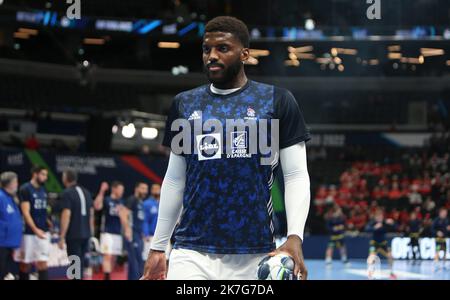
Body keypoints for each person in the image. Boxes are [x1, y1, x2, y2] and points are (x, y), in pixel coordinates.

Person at [142, 16, 311, 280]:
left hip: (255, 254)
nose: (211, 56)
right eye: (206, 49)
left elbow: (295, 175)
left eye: (222, 48)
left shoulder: (278, 101)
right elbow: (175, 179)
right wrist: (158, 247)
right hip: (190, 252)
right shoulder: (184, 105)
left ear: (244, 53)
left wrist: (295, 236)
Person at [58, 169, 94, 280]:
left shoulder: (67, 193)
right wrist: (91, 234)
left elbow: (66, 215)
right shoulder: (87, 192)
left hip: (73, 235)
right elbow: (91, 216)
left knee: (74, 265)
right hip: (86, 234)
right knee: (80, 265)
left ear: (65, 178)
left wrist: (62, 236)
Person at [16, 166, 50, 280]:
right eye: (43, 174)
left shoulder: (44, 189)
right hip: (29, 233)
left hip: (43, 231)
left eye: (46, 175)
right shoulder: (25, 189)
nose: (45, 178)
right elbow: (26, 213)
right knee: (25, 264)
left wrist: (47, 220)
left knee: (43, 262)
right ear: (35, 174)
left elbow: (42, 209)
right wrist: (36, 230)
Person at [93, 181, 125, 280]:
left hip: (118, 233)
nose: (122, 192)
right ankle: (107, 277)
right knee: (107, 255)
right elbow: (97, 206)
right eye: (120, 190)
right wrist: (102, 191)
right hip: (107, 232)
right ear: (114, 189)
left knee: (113, 257)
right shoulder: (107, 200)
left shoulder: (121, 202)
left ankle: (108, 274)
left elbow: (124, 217)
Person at [121, 182, 148, 280]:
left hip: (138, 234)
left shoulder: (140, 202)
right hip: (132, 233)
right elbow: (123, 214)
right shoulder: (132, 199)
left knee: (139, 259)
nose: (145, 191)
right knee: (134, 261)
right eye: (143, 188)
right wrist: (128, 230)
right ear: (137, 188)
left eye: (146, 189)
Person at [0, 172, 22, 280]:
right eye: (16, 182)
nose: (17, 184)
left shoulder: (11, 198)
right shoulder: (1, 197)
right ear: (10, 184)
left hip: (10, 243)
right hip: (2, 244)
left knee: (10, 275)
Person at [366, 209, 397, 279]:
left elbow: (395, 227)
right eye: (378, 217)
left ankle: (391, 272)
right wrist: (374, 227)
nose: (379, 218)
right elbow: (367, 229)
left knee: (390, 256)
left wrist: (392, 223)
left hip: (383, 244)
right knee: (371, 257)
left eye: (381, 216)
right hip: (374, 243)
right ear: (375, 217)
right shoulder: (373, 223)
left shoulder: (385, 223)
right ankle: (370, 273)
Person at [142, 184, 170, 261]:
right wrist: (146, 233)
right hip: (151, 236)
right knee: (149, 259)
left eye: (158, 188)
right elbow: (145, 220)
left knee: (165, 259)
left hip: (164, 236)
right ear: (151, 191)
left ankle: (165, 273)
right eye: (154, 189)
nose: (157, 190)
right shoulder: (147, 204)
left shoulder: (165, 203)